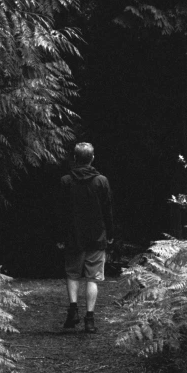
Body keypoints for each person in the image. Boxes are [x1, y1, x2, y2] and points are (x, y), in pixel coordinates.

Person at [56, 142, 113, 333]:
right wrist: (110, 234)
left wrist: (61, 235)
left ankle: (73, 311)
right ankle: (90, 319)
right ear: (92, 158)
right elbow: (108, 210)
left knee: (72, 274)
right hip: (97, 237)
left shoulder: (65, 181)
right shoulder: (101, 181)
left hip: (73, 237)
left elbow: (61, 212)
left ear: (75, 158)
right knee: (92, 278)